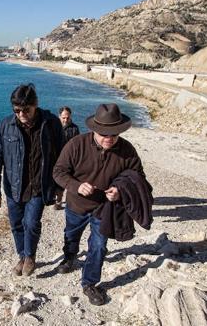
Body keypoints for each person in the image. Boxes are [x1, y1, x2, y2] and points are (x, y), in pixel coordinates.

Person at [53, 103, 151, 306]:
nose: (109, 138)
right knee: (71, 235)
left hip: (103, 208)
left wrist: (120, 191)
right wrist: (76, 186)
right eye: (104, 134)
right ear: (94, 129)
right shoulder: (76, 144)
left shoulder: (127, 150)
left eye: (114, 134)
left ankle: (89, 283)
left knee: (98, 246)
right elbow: (59, 172)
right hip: (76, 204)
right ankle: (70, 257)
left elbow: (138, 177)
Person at [0, 83, 64, 276]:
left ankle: (30, 256)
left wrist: (59, 186)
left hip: (39, 186)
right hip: (13, 188)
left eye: (26, 110)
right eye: (17, 110)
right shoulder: (5, 126)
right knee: (15, 224)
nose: (21, 114)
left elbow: (62, 156)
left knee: (31, 223)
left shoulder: (51, 123)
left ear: (35, 104)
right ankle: (22, 256)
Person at [55, 106, 80, 210]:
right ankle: (54, 198)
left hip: (68, 160)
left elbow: (78, 145)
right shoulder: (53, 126)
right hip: (54, 158)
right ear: (59, 116)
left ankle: (59, 201)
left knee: (64, 180)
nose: (65, 120)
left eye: (67, 118)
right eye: (63, 117)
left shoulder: (75, 128)